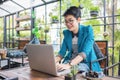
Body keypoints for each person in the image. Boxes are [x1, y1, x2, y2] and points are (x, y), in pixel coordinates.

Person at [55, 6, 103, 77]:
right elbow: (61, 53)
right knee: (58, 71)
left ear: (78, 20)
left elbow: (83, 54)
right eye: (66, 21)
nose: (68, 24)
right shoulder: (66, 33)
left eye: (70, 20)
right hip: (69, 61)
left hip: (85, 63)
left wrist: (69, 65)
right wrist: (52, 62)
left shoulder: (88, 31)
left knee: (71, 72)